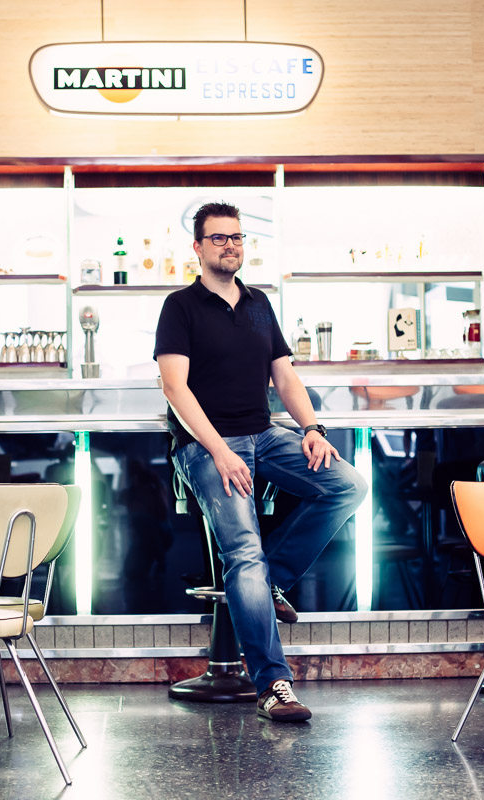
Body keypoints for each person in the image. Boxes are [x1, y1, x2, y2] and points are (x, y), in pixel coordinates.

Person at [153, 201, 368, 722]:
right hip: (205, 446)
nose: (231, 245)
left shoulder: (258, 304)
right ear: (199, 248)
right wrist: (220, 451)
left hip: (265, 435)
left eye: (238, 237)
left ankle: (274, 580)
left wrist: (312, 429)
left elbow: (285, 377)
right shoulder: (180, 306)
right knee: (243, 552)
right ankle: (273, 685)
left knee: (348, 484)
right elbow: (174, 387)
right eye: (220, 238)